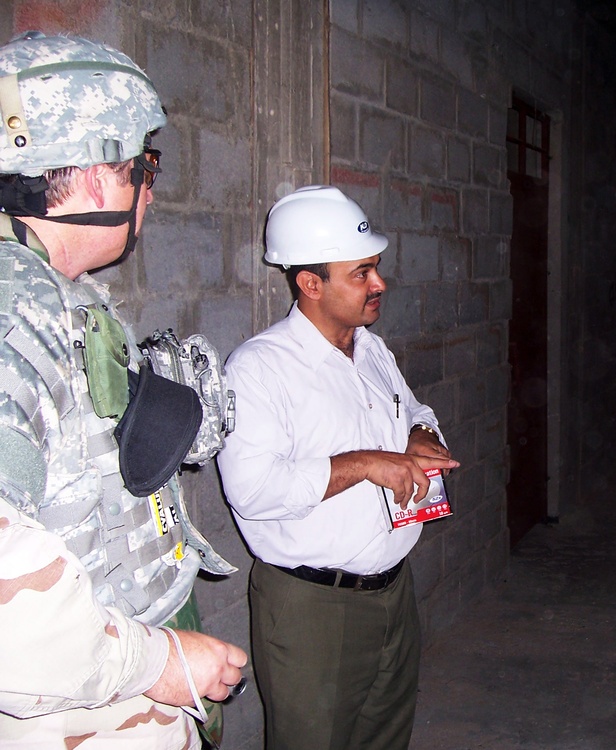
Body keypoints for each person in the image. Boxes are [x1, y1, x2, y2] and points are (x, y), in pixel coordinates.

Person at [0, 32, 246, 749]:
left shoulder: (55, 293)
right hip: (71, 712)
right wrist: (155, 663)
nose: (150, 186)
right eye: (145, 164)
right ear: (96, 178)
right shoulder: (15, 306)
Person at [217, 185, 459, 750]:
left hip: (394, 595)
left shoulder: (371, 348)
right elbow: (253, 492)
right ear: (310, 284)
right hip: (312, 611)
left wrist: (421, 434)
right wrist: (367, 464)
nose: (380, 284)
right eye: (362, 273)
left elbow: (414, 409)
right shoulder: (258, 370)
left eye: (376, 269)